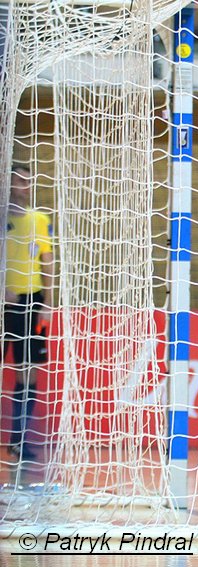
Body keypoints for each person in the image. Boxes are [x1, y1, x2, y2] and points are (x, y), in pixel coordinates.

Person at [3, 165, 54, 461]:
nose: (25, 186)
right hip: (3, 303)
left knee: (28, 372)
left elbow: (47, 260)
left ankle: (18, 441)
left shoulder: (40, 219)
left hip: (31, 302)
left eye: (28, 181)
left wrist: (48, 302)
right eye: (19, 181)